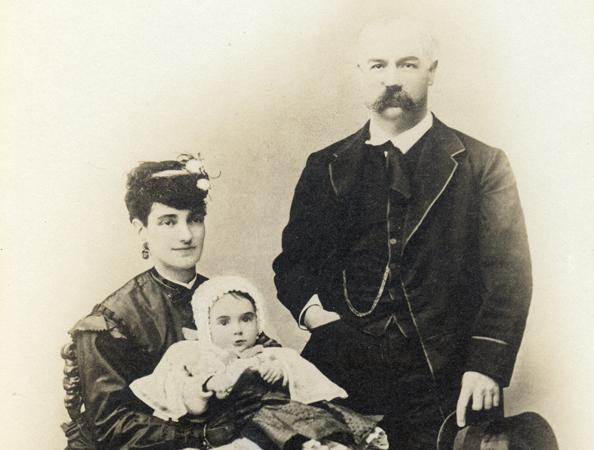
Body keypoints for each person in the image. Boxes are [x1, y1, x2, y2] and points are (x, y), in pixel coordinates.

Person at [272, 17, 532, 449]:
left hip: (449, 376)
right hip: (343, 372)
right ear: (360, 73)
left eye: (407, 65)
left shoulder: (483, 164)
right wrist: (322, 322)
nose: (391, 80)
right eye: (377, 66)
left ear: (432, 71)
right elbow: (294, 265)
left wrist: (486, 365)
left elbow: (509, 274)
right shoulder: (326, 165)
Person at [66, 155, 248, 449]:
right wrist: (198, 437)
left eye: (195, 219)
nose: (186, 235)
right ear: (141, 229)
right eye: (168, 221)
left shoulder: (224, 297)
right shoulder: (112, 319)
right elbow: (111, 425)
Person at [130, 275, 389, 450]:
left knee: (313, 415)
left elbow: (303, 377)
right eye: (224, 322)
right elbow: (178, 392)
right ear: (206, 326)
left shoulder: (265, 353)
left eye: (246, 319)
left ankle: (336, 440)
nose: (238, 330)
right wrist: (208, 384)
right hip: (223, 427)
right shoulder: (194, 354)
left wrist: (279, 371)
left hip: (273, 416)